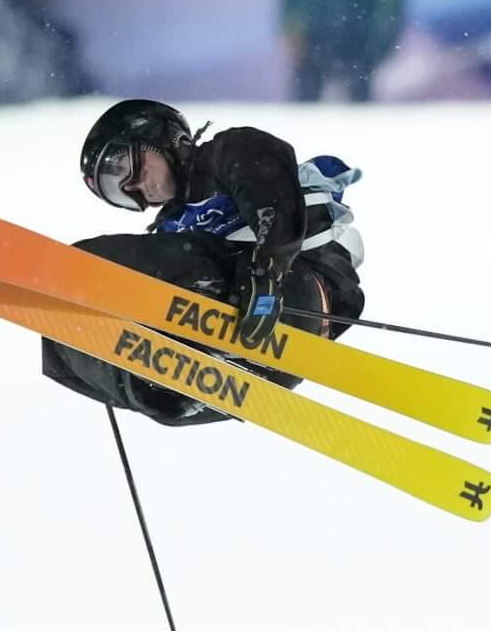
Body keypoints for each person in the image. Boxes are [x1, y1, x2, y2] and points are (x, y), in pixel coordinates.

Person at [44, 99, 366, 426]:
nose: (138, 188)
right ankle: (160, 388)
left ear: (161, 137)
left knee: (99, 265)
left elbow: (272, 197)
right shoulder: (170, 227)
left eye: (131, 169)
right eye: (120, 193)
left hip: (294, 296)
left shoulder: (225, 155)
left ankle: (61, 273)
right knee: (56, 340)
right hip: (257, 360)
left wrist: (265, 271)